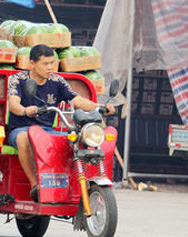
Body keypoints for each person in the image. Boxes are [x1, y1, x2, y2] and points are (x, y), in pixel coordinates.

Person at [7, 44, 115, 202]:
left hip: (47, 131)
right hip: (21, 128)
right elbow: (13, 103)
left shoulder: (57, 80)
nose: (50, 67)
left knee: (77, 139)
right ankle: (35, 185)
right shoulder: (19, 79)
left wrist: (100, 107)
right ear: (32, 64)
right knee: (24, 138)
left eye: (52, 62)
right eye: (45, 63)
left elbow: (77, 100)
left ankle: (76, 185)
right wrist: (24, 110)